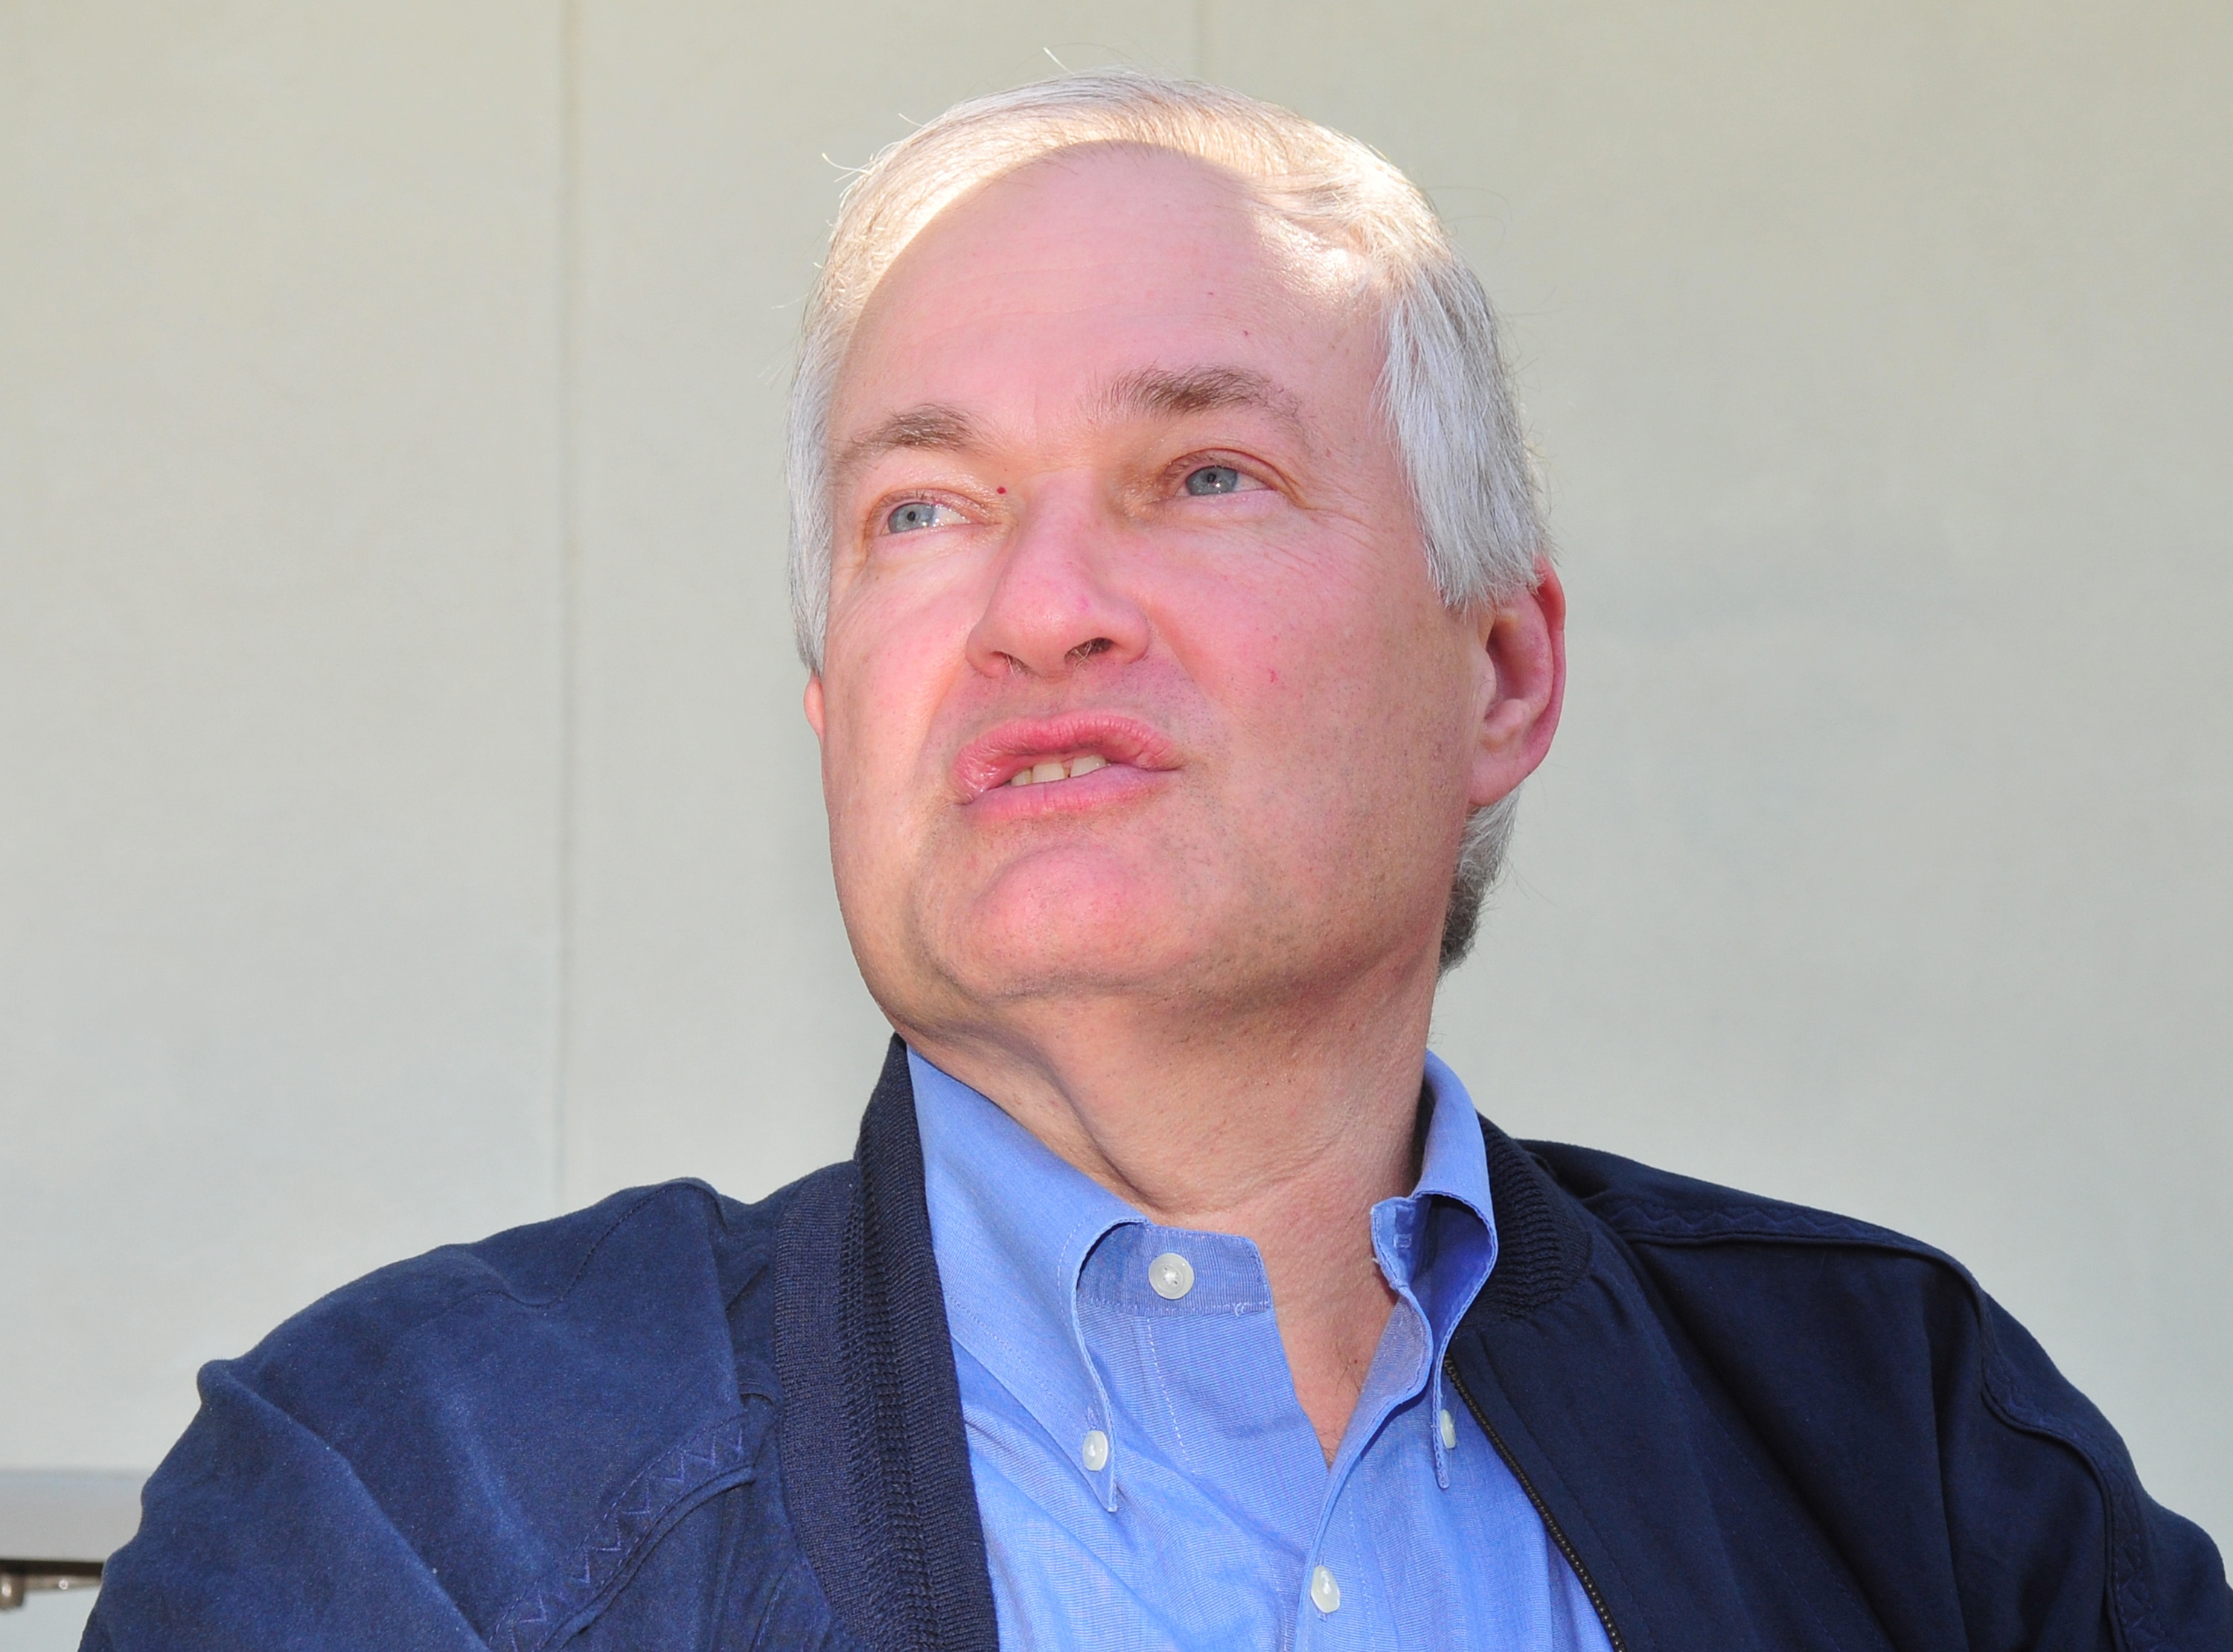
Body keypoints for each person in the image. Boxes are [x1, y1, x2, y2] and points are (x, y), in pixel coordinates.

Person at [88, 72, 2228, 1652]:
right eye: (921, 509)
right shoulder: (415, 1497)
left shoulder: (1921, 1466)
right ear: (836, 718)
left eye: (1201, 471)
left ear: (1500, 671)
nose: (1041, 606)